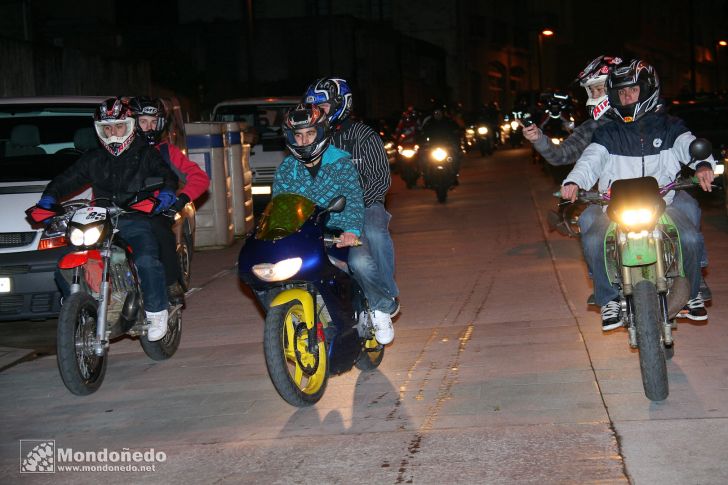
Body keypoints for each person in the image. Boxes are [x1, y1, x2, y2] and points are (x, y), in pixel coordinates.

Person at [525, 55, 710, 299]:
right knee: (590, 234)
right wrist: (572, 180)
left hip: (662, 195)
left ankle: (693, 285)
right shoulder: (602, 129)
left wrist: (703, 165)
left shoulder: (666, 123)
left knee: (690, 228)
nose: (626, 97)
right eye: (619, 92)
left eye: (631, 90)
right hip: (611, 199)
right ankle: (608, 296)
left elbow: (687, 145)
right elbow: (584, 158)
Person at [38, 97, 179, 341]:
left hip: (135, 216)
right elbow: (66, 179)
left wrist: (165, 195)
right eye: (107, 128)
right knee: (67, 258)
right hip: (99, 218)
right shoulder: (94, 158)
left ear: (129, 125)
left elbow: (167, 177)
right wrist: (48, 199)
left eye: (118, 126)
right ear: (99, 130)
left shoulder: (145, 153)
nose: (113, 133)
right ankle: (74, 303)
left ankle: (157, 310)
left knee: (146, 258)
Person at [273, 104, 393, 345]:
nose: (303, 140)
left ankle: (381, 307)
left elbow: (354, 199)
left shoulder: (341, 163)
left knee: (359, 261)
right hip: (305, 233)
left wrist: (351, 230)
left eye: (309, 133)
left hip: (340, 232)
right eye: (298, 135)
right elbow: (280, 204)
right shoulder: (286, 169)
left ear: (321, 132)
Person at [303, 77, 399, 336]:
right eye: (312, 107)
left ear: (340, 105)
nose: (315, 113)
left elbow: (380, 179)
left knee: (368, 248)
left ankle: (384, 301)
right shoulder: (313, 138)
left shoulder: (364, 135)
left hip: (367, 205)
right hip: (326, 211)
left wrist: (353, 205)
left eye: (321, 107)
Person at [129, 96, 210, 303]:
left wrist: (180, 200)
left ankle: (171, 283)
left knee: (159, 231)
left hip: (157, 212)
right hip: (124, 213)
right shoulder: (118, 152)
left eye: (154, 121)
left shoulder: (166, 151)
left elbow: (200, 178)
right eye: (143, 121)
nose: (149, 127)